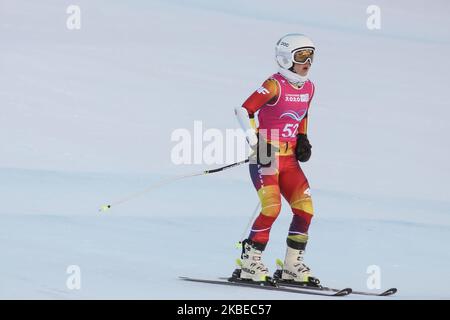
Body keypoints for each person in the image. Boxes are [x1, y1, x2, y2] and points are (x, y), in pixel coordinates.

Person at [234, 33, 319, 285]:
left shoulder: (309, 87)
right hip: (266, 156)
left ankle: (292, 265)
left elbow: (303, 114)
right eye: (301, 55)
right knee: (272, 208)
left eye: (311, 55)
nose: (308, 61)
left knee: (305, 210)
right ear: (286, 58)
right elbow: (243, 109)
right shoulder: (274, 85)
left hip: (289, 159)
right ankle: (250, 262)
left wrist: (303, 137)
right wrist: (255, 141)